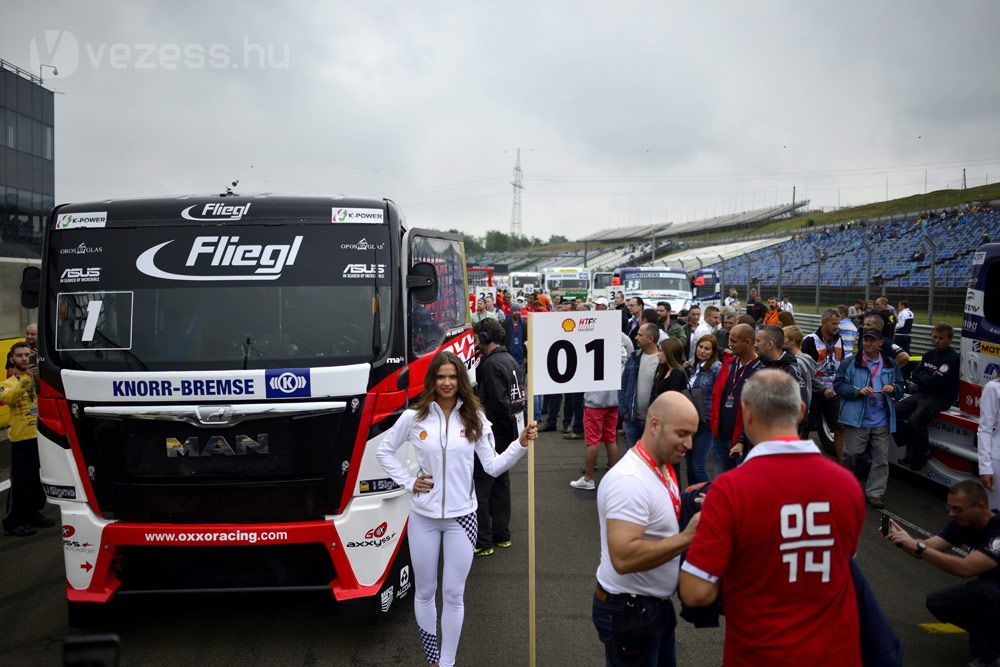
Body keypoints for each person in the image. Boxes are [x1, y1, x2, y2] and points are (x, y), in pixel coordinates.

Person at [680, 370, 866, 667]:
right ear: (802, 411)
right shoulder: (847, 485)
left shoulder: (729, 491)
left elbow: (695, 592)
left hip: (759, 652)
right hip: (836, 652)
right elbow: (843, 561)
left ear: (747, 414)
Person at [376, 352, 537, 667]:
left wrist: (519, 444)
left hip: (463, 519)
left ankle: (447, 663)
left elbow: (491, 466)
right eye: (440, 377)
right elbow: (384, 450)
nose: (446, 383)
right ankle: (433, 658)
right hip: (423, 517)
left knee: (452, 594)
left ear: (461, 380)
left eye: (452, 376)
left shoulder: (475, 416)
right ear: (432, 381)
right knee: (424, 593)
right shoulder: (413, 418)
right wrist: (409, 483)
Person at [592, 392, 701, 667]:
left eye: (693, 434)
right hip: (630, 610)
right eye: (682, 433)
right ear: (654, 425)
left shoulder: (662, 466)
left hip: (654, 607)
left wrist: (690, 501)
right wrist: (688, 537)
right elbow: (624, 558)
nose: (689, 443)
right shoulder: (629, 481)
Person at [885, 480, 1000, 666]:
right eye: (950, 508)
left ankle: (989, 657)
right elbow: (927, 548)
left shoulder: (997, 532)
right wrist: (903, 540)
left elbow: (966, 569)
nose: (951, 513)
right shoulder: (964, 523)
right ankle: (990, 636)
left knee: (982, 591)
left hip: (992, 591)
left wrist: (919, 547)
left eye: (957, 509)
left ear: (980, 506)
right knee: (938, 602)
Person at [471, 319, 528, 556]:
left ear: (484, 338)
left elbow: (496, 402)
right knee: (502, 482)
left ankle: (483, 541)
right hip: (509, 430)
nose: (474, 341)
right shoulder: (510, 360)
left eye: (476, 337)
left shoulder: (490, 364)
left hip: (494, 432)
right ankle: (502, 534)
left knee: (482, 486)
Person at [834, 328, 905, 510]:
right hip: (858, 419)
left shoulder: (889, 363)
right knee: (852, 454)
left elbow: (900, 386)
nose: (868, 343)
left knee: (881, 458)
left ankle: (874, 493)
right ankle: (845, 486)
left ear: (881, 343)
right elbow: (839, 385)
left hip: (882, 420)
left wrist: (892, 388)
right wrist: (857, 391)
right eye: (865, 340)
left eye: (872, 340)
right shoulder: (851, 362)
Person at [1, 342, 51, 537]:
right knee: (21, 483)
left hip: (40, 437)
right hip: (20, 441)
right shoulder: (8, 384)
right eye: (19, 355)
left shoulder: (39, 379)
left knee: (38, 481)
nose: (24, 358)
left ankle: (33, 513)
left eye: (27, 355)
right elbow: (11, 399)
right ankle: (14, 521)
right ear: (12, 359)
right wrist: (27, 378)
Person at [573, 325, 630, 490]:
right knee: (610, 439)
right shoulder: (621, 345)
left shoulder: (591, 343)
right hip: (613, 399)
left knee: (593, 441)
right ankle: (615, 478)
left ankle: (588, 478)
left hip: (595, 400)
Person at [897, 324, 960, 471]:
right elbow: (915, 374)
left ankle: (922, 452)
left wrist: (923, 378)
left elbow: (935, 382)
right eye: (935, 337)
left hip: (940, 398)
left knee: (914, 422)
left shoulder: (953, 358)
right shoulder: (929, 354)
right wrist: (925, 378)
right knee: (894, 413)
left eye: (941, 338)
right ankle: (911, 445)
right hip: (922, 394)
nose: (937, 341)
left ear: (950, 339)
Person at [708, 324, 761, 474]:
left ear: (748, 342)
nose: (730, 344)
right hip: (720, 437)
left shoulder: (761, 370)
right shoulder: (729, 364)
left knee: (741, 489)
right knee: (721, 484)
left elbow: (757, 410)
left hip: (741, 442)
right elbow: (716, 396)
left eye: (734, 341)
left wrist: (742, 440)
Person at [802, 309, 847, 459]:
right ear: (823, 323)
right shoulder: (810, 340)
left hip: (833, 392)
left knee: (839, 428)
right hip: (814, 393)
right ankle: (798, 460)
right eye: (833, 324)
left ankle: (841, 464)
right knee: (806, 427)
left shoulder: (840, 339)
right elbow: (806, 370)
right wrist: (821, 389)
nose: (837, 327)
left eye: (838, 323)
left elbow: (842, 365)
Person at [620, 323, 662, 451]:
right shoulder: (634, 357)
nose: (636, 337)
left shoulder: (662, 360)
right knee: (633, 457)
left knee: (651, 458)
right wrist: (624, 411)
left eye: (640, 335)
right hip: (632, 418)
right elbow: (623, 384)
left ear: (650, 339)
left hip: (653, 421)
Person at [687, 335, 721, 484]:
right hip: (693, 420)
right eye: (700, 347)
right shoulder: (695, 366)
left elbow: (718, 395)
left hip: (706, 422)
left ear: (713, 352)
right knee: (689, 465)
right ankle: (692, 499)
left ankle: (712, 497)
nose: (702, 351)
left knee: (697, 466)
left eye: (707, 349)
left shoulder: (715, 368)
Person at [754, 325, 809, 416]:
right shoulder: (756, 366)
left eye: (758, 341)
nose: (755, 345)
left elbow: (800, 411)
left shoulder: (792, 372)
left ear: (769, 344)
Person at [783, 325, 815, 438]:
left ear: (792, 341)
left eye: (784, 338)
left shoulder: (798, 363)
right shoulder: (804, 359)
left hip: (798, 413)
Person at [980, 378, 1000, 510]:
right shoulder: (993, 388)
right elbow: (985, 429)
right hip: (997, 460)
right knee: (994, 517)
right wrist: (985, 467)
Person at [502, 303, 527, 373]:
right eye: (515, 310)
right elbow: (502, 340)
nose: (517, 312)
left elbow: (527, 340)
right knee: (510, 375)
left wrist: (526, 356)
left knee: (521, 376)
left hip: (521, 356)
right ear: (511, 311)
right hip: (509, 355)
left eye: (519, 310)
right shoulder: (505, 324)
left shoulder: (524, 324)